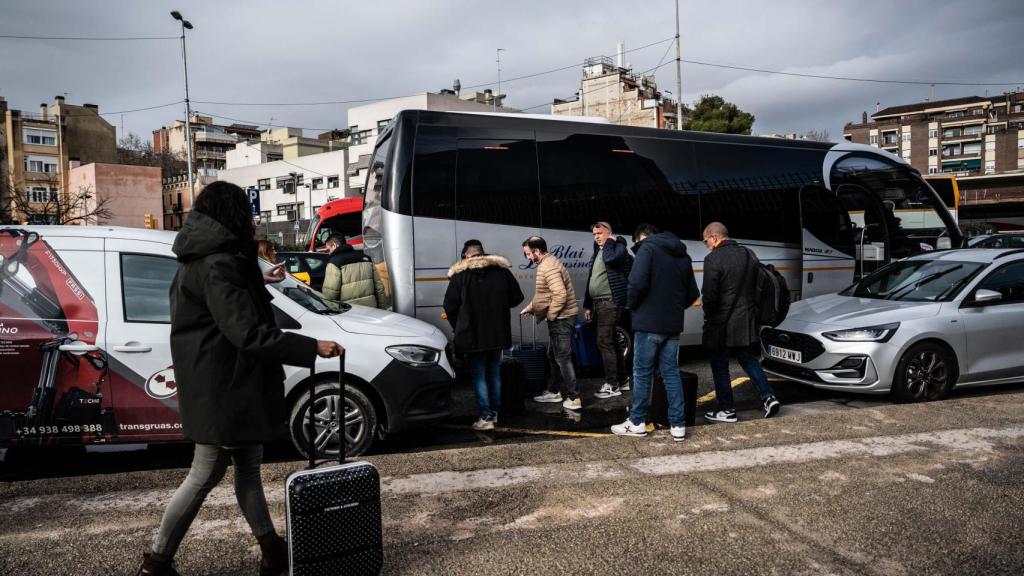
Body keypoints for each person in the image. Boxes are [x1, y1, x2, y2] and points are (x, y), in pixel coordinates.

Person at [136, 181, 344, 576]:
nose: (251, 219)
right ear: (233, 214)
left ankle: (272, 550)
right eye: (245, 212)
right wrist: (311, 346)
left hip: (225, 383)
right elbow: (245, 332)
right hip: (225, 387)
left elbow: (221, 306)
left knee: (246, 466)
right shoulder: (218, 263)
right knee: (204, 473)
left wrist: (258, 282)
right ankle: (156, 562)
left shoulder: (206, 257)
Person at [611, 223, 698, 442]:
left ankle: (637, 421)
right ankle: (678, 425)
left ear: (641, 237)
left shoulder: (647, 249)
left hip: (648, 323)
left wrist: (634, 307)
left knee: (642, 373)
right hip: (672, 325)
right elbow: (692, 293)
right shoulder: (682, 254)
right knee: (670, 373)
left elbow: (636, 284)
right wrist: (674, 309)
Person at [701, 222, 781, 423]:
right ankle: (769, 397)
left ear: (715, 237)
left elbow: (709, 295)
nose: (706, 245)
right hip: (745, 321)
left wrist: (709, 317)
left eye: (706, 241)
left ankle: (727, 409)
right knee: (749, 360)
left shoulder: (712, 259)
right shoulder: (748, 254)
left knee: (720, 365)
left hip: (721, 323)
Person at [443, 240, 524, 431]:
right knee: (494, 372)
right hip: (497, 333)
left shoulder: (460, 276)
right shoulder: (502, 271)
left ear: (465, 255)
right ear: (483, 253)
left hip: (471, 335)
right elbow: (517, 298)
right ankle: (494, 413)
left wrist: (459, 326)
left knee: (479, 375)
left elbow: (449, 306)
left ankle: (485, 417)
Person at [519, 236, 582, 411]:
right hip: (560, 317)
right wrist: (530, 307)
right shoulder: (548, 264)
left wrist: (552, 315)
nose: (528, 258)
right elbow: (544, 295)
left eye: (528, 254)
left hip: (561, 319)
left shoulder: (549, 267)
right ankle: (554, 391)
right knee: (553, 355)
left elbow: (560, 295)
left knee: (562, 358)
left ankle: (574, 397)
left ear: (537, 251)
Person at [582, 221, 633, 399]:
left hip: (610, 302)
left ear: (609, 232)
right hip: (598, 303)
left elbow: (612, 259)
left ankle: (612, 385)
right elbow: (591, 278)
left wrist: (611, 241)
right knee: (611, 340)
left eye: (600, 233)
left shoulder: (618, 247)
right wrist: (588, 304)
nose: (596, 237)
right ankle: (622, 380)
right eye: (594, 235)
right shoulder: (599, 250)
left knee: (604, 342)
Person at [321, 234, 386, 308]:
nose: (329, 253)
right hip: (371, 310)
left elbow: (329, 295)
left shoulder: (334, 262)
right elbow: (379, 288)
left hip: (349, 312)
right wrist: (382, 308)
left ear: (334, 245)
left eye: (328, 249)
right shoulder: (366, 258)